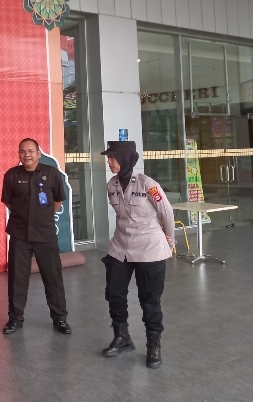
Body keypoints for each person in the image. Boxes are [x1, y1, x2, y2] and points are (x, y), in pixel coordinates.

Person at [100, 141, 174, 369]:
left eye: (112, 157)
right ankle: (122, 337)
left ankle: (154, 344)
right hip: (120, 247)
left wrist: (169, 241)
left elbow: (167, 212)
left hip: (149, 249)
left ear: (125, 158)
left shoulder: (148, 185)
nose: (109, 161)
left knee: (149, 300)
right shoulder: (111, 185)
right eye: (108, 157)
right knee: (114, 293)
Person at [1, 138, 71, 336]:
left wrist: (43, 217)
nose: (27, 155)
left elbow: (58, 200)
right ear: (19, 154)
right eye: (23, 151)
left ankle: (60, 318)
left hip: (45, 234)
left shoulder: (52, 173)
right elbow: (8, 202)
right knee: (17, 279)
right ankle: (15, 319)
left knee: (53, 277)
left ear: (39, 153)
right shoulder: (11, 175)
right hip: (19, 235)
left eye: (31, 151)